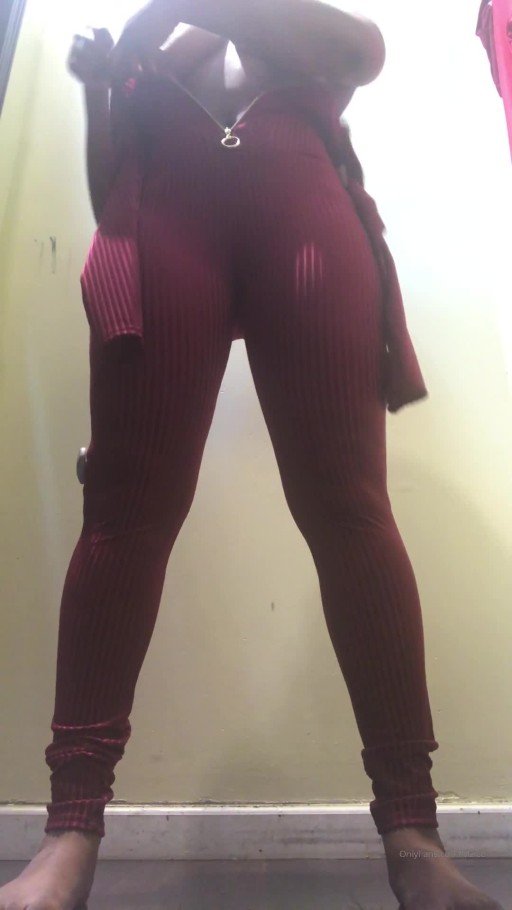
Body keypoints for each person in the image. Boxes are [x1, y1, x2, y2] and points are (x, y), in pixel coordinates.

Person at [0, 2, 504, 909]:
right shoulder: (145, 57)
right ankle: (70, 829)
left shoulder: (267, 29)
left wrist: (168, 15)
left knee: (351, 512)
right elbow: (111, 187)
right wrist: (97, 94)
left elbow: (363, 53)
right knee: (122, 515)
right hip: (161, 226)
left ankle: (414, 836)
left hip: (306, 224)